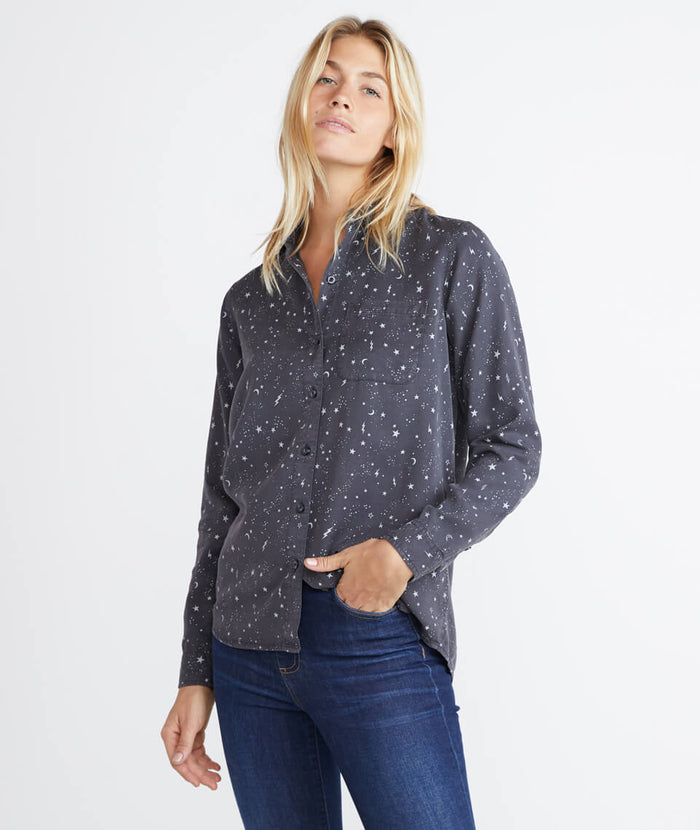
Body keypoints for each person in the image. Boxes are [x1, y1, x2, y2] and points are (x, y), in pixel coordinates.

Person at [161, 15, 542, 830]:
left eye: (371, 89)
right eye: (328, 78)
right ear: (302, 100)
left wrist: (403, 554)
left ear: (395, 127)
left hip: (378, 639)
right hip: (248, 649)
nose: (342, 97)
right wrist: (197, 668)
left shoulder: (450, 258)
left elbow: (513, 445)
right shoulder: (249, 301)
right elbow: (221, 500)